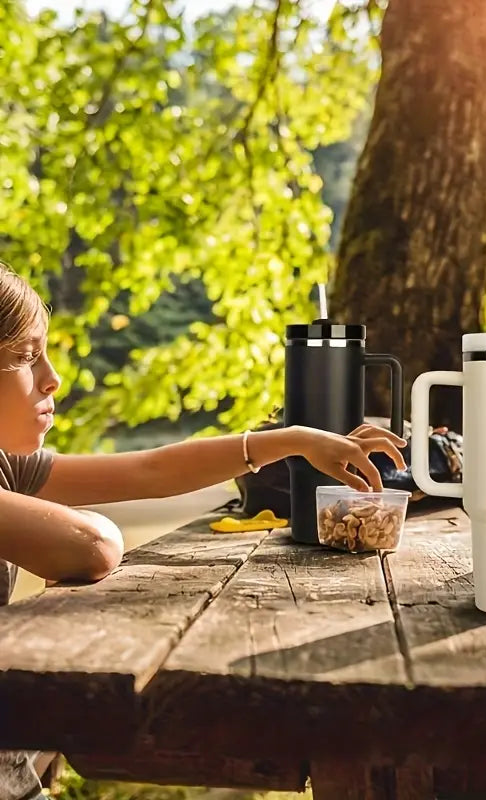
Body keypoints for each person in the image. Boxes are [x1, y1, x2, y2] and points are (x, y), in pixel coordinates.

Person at [0, 261, 406, 800]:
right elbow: (90, 548)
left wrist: (291, 439)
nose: (53, 377)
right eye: (28, 357)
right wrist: (86, 527)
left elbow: (151, 470)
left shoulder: (8, 466)